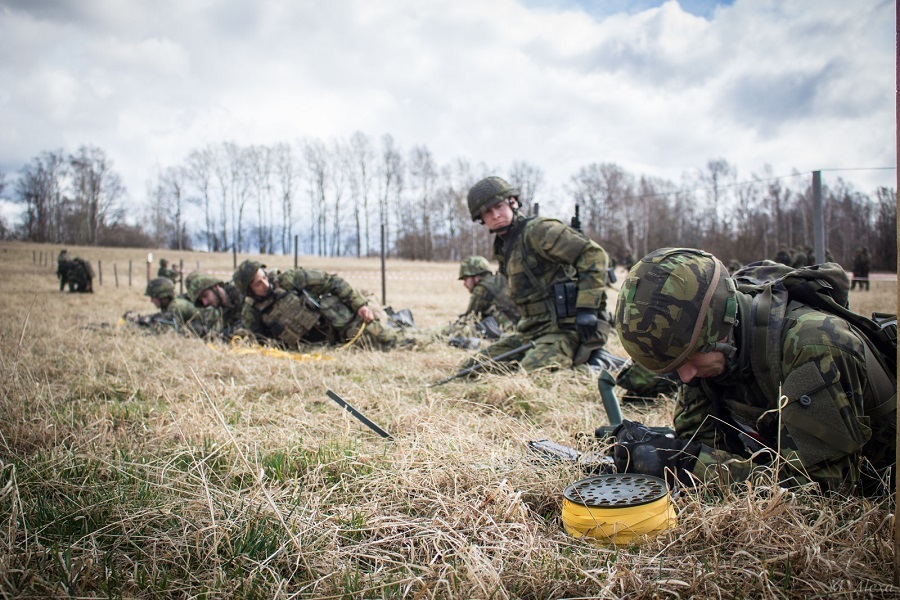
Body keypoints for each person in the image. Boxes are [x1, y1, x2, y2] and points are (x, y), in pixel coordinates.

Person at [613, 247, 895, 495]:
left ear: (722, 328)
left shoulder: (813, 346)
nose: (685, 377)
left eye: (689, 361)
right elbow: (706, 442)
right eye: (674, 370)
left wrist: (690, 465)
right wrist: (660, 449)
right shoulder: (707, 352)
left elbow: (817, 493)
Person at [456, 176, 611, 373]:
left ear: (513, 203)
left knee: (534, 376)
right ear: (481, 219)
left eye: (499, 207)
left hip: (566, 329)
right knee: (471, 370)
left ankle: (600, 366)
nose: (496, 215)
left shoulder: (538, 231)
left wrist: (587, 309)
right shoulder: (504, 247)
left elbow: (592, 254)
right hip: (531, 331)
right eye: (488, 212)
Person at [233, 260, 413, 350]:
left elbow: (332, 281)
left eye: (264, 278)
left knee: (392, 339)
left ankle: (402, 321)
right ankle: (395, 319)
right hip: (321, 346)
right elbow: (259, 341)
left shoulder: (289, 280)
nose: (265, 284)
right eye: (258, 283)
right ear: (249, 290)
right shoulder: (252, 311)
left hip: (341, 324)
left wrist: (359, 305)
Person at [125, 277, 211, 334]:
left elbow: (166, 329)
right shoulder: (173, 304)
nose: (151, 300)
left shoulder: (176, 306)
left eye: (153, 297)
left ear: (161, 296)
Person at [456, 255, 520, 330]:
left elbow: (469, 318)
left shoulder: (481, 289)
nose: (464, 284)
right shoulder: (500, 279)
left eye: (465, 279)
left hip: (507, 328)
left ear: (475, 276)